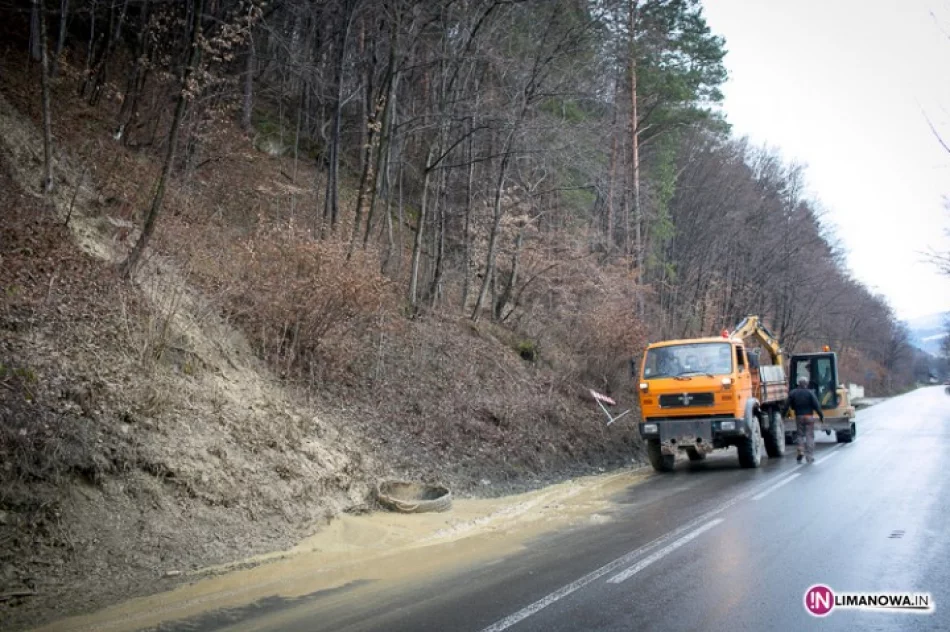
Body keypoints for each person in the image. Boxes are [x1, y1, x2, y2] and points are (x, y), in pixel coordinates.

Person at [785, 376, 824, 463]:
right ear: (806, 384)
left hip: (799, 416)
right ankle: (809, 457)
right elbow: (817, 405)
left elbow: (786, 405)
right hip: (809, 416)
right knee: (809, 436)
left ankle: (801, 451)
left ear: (798, 383)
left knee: (799, 435)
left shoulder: (793, 393)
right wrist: (821, 416)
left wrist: (783, 415)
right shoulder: (810, 393)